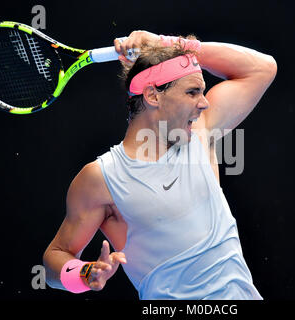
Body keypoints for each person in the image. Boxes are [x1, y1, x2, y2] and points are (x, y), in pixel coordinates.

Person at [43, 30, 277, 299]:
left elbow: (263, 68)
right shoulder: (100, 178)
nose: (205, 102)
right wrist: (85, 274)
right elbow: (55, 259)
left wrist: (166, 43)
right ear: (153, 96)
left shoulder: (201, 132)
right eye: (192, 92)